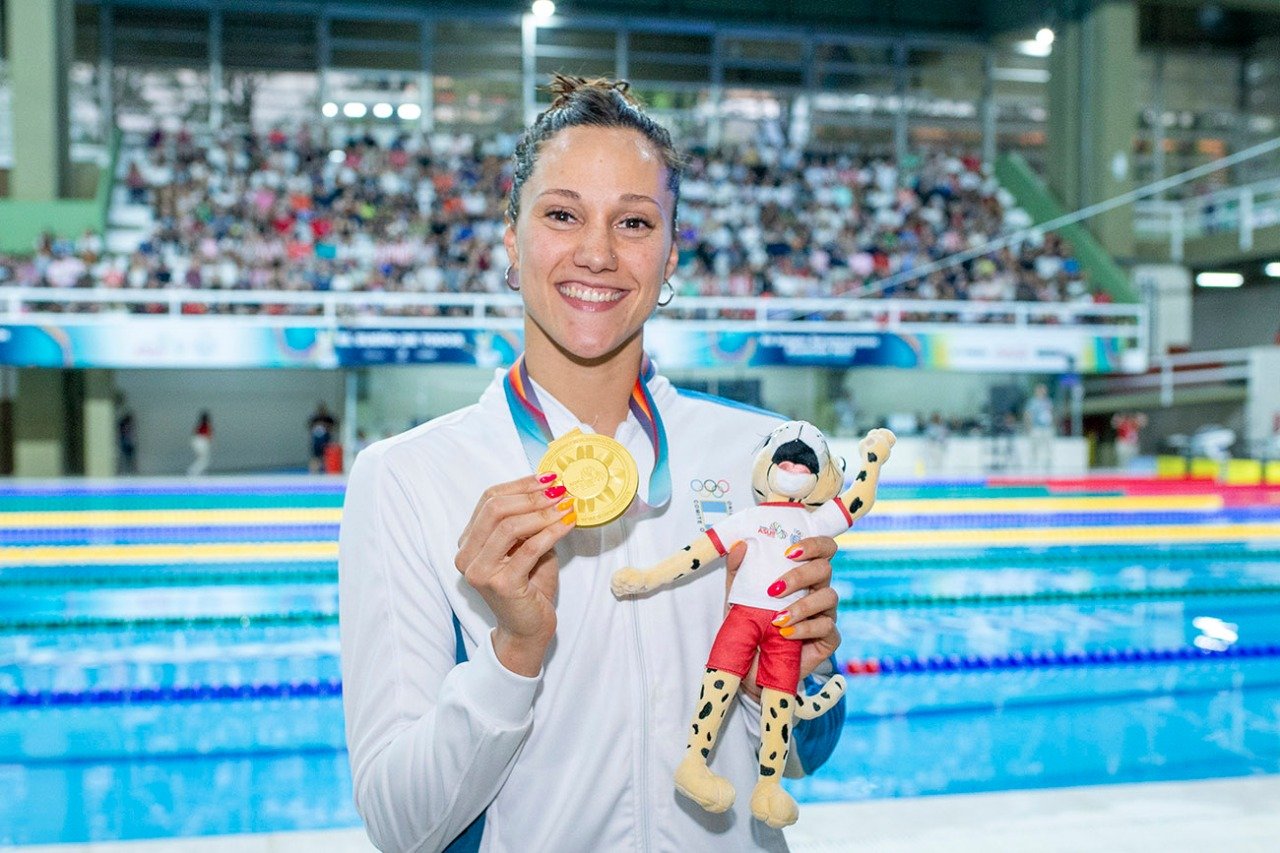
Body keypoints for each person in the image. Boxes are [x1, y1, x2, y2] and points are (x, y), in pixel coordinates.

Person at [339, 76, 846, 853]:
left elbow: (804, 757)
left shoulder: (762, 456)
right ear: (512, 238)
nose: (598, 253)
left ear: (671, 251)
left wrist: (790, 675)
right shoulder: (406, 478)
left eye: (634, 222)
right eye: (563, 214)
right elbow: (401, 824)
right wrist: (512, 654)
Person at [1023, 383, 1055, 474]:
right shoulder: (1032, 402)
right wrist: (1028, 427)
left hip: (1047, 428)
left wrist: (1052, 425)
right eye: (1041, 390)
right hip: (1036, 428)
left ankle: (1048, 467)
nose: (1043, 392)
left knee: (1048, 448)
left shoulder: (1048, 401)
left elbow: (1051, 413)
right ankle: (1033, 467)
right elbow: (1028, 415)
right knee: (1034, 448)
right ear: (1037, 391)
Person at [308, 402, 338, 473]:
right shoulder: (315, 418)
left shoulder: (328, 418)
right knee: (316, 457)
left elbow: (334, 426)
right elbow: (310, 427)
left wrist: (326, 426)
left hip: (326, 439)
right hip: (317, 440)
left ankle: (326, 470)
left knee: (326, 456)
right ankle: (313, 471)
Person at [187, 411, 212, 476]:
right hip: (201, 441)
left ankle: (197, 472)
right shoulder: (206, 425)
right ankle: (193, 471)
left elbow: (194, 433)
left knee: (203, 459)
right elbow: (208, 435)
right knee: (204, 459)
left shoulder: (200, 425)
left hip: (197, 441)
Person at [117, 407, 137, 475]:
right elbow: (125, 434)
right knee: (125, 458)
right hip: (126, 443)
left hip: (128, 443)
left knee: (129, 458)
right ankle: (125, 471)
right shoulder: (125, 425)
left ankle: (130, 471)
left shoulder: (127, 426)